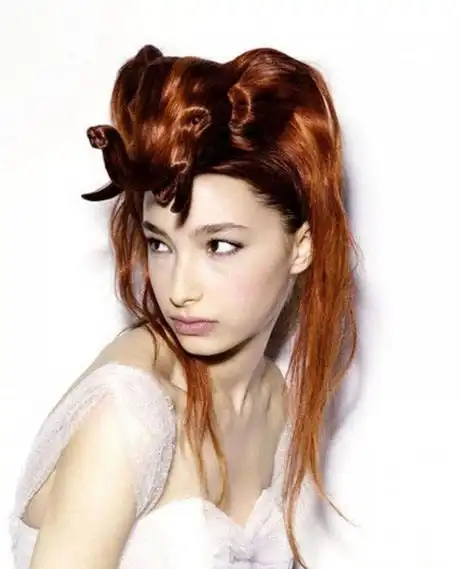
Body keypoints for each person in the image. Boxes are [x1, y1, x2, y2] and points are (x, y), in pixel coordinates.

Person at [9, 44, 359, 569]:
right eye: (159, 243)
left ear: (301, 247)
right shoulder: (128, 417)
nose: (178, 290)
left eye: (219, 245)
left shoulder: (276, 402)